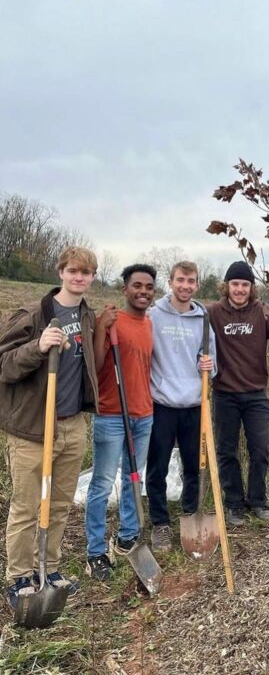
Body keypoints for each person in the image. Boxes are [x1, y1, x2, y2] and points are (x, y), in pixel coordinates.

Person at [0, 246, 99, 609]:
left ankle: (50, 568)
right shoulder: (33, 314)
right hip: (32, 430)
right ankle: (20, 576)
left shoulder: (88, 316)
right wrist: (38, 346)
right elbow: (5, 365)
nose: (79, 277)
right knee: (27, 507)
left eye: (86, 273)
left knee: (58, 505)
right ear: (61, 272)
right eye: (73, 271)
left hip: (72, 426)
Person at [207, 261, 269, 526]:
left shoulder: (263, 312)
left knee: (260, 449)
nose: (239, 289)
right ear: (226, 286)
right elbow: (189, 327)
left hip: (256, 395)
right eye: (235, 284)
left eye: (245, 285)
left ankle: (258, 501)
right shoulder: (213, 313)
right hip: (224, 395)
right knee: (227, 451)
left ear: (252, 288)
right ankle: (234, 503)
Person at [84, 264, 157, 580]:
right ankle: (95, 552)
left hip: (143, 413)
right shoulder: (112, 320)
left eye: (149, 287)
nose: (143, 291)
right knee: (101, 484)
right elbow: (96, 364)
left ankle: (127, 536)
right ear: (125, 288)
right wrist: (101, 329)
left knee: (133, 478)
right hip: (112, 415)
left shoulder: (149, 325)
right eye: (137, 285)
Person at [145, 261, 216, 552]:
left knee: (193, 466)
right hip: (162, 404)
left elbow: (212, 361)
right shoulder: (154, 316)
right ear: (171, 281)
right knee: (157, 467)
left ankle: (190, 514)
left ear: (197, 285)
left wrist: (209, 366)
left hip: (194, 405)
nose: (186, 286)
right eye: (181, 280)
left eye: (191, 281)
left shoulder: (203, 319)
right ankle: (160, 524)